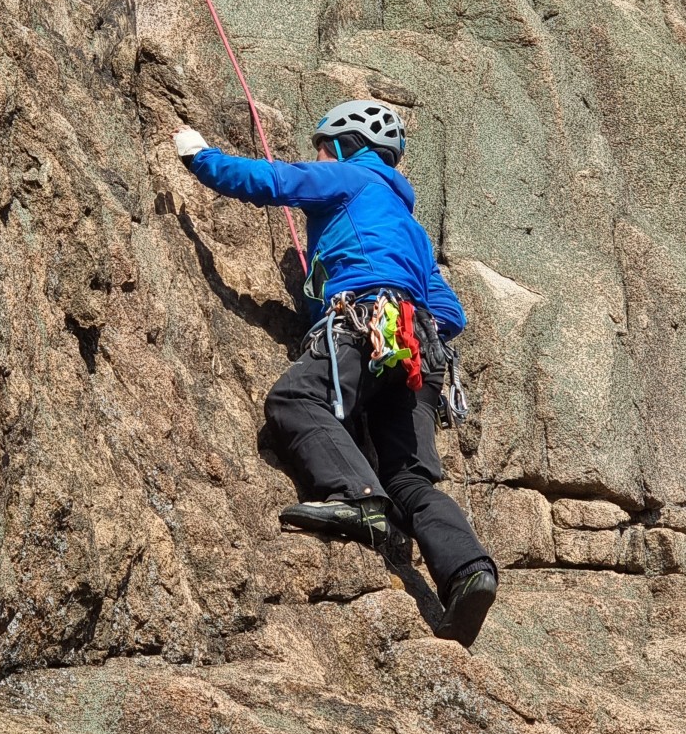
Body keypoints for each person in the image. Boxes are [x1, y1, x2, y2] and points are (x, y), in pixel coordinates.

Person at [173, 100, 498, 648]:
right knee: (409, 479)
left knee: (295, 400)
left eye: (323, 147)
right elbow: (452, 313)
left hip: (368, 323)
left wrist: (201, 158)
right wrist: (404, 315)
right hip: (421, 352)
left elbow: (274, 180)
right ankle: (468, 572)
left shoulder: (349, 175)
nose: (317, 157)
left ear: (345, 146)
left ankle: (357, 499)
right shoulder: (411, 228)